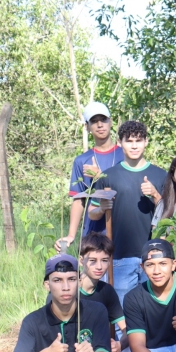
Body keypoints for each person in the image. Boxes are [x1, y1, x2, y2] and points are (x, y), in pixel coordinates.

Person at [89, 120, 166, 301]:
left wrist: (155, 195)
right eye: (129, 141)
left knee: (153, 312)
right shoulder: (108, 176)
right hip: (119, 258)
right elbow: (91, 212)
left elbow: (170, 214)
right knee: (121, 317)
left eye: (138, 141)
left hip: (153, 257)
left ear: (146, 142)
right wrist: (101, 207)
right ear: (120, 143)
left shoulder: (161, 175)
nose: (134, 146)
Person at [55, 102, 123, 251]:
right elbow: (79, 199)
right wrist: (71, 235)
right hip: (94, 232)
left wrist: (101, 176)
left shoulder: (125, 155)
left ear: (110, 122)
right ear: (87, 126)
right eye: (94, 121)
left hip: (122, 228)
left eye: (103, 119)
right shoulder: (81, 161)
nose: (100, 125)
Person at [75, 233, 128, 352]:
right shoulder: (68, 291)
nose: (99, 266)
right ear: (81, 260)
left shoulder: (107, 291)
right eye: (92, 260)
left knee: (137, 345)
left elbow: (126, 328)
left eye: (104, 260)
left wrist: (119, 344)